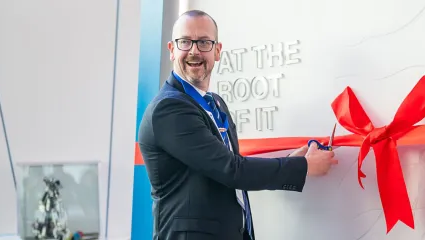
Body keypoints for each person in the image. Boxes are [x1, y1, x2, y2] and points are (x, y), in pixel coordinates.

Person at [137, 9, 338, 240]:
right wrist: (303, 167)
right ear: (172, 50)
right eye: (185, 42)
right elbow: (231, 169)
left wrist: (292, 161)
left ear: (217, 51)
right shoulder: (169, 109)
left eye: (203, 42)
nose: (194, 51)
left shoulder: (216, 103)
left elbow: (227, 167)